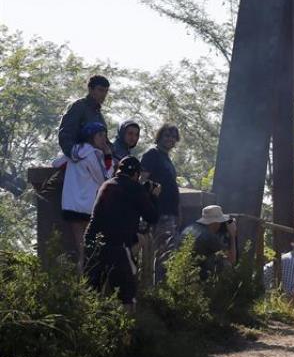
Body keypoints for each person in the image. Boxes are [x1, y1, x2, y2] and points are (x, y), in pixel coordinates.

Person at [85, 156, 160, 311]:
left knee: (91, 291)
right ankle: (125, 331)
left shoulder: (106, 184)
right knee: (127, 294)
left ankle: (89, 328)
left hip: (92, 242)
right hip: (117, 246)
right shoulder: (135, 188)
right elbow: (152, 217)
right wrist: (153, 196)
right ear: (136, 174)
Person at [52, 121, 114, 271]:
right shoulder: (92, 155)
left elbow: (56, 163)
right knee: (87, 252)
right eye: (100, 135)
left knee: (80, 247)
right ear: (91, 137)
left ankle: (80, 285)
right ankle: (85, 285)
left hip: (70, 206)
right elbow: (105, 179)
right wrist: (108, 158)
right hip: (87, 208)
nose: (104, 139)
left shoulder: (73, 151)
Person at [141, 124, 181, 284]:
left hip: (169, 213)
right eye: (166, 135)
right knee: (153, 253)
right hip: (155, 212)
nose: (170, 139)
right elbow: (142, 181)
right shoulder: (152, 154)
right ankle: (150, 291)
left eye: (173, 136)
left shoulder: (167, 159)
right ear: (159, 137)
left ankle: (160, 292)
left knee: (166, 254)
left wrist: (178, 212)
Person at [57, 75, 109, 159]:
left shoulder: (98, 114)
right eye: (100, 90)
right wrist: (77, 155)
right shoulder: (79, 107)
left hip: (95, 161)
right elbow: (65, 135)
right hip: (79, 161)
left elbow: (104, 142)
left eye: (106, 91)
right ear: (90, 89)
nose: (103, 95)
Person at [181, 205, 237, 281]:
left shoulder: (189, 228)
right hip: (195, 276)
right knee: (226, 265)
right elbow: (232, 259)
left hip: (182, 270)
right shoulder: (209, 237)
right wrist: (232, 235)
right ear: (215, 223)